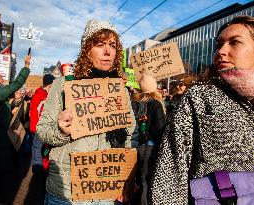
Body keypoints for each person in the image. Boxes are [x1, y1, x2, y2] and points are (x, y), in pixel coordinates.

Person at [151, 15, 254, 205]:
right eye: (219, 44)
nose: (221, 51)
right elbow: (172, 167)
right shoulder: (200, 96)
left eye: (235, 43)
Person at [36, 20, 135, 205]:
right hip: (67, 192)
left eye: (112, 45)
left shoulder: (120, 90)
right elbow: (42, 131)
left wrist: (125, 180)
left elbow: (129, 136)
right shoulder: (64, 85)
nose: (108, 51)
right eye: (100, 45)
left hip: (104, 191)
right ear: (86, 49)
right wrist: (61, 130)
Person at [0, 55, 31, 205]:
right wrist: (26, 66)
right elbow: (16, 83)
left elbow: (4, 107)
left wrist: (13, 103)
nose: (0, 75)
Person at [130, 74, 166, 205]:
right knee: (147, 180)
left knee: (138, 180)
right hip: (150, 147)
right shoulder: (155, 104)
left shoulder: (133, 102)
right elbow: (159, 130)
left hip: (135, 145)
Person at [29, 74, 55, 175]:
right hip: (38, 128)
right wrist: (36, 128)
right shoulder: (39, 95)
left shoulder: (48, 95)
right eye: (52, 86)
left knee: (46, 148)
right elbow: (34, 113)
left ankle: (45, 166)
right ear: (48, 85)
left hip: (47, 128)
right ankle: (37, 168)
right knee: (37, 147)